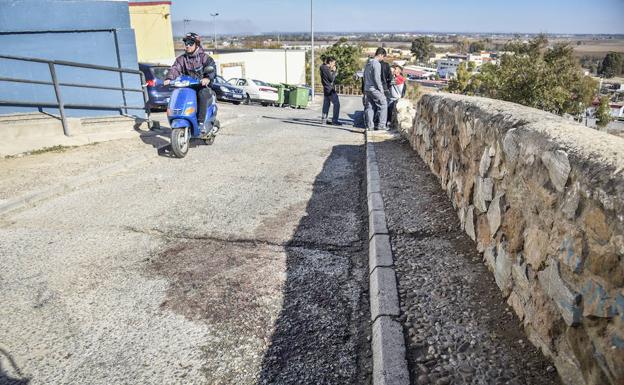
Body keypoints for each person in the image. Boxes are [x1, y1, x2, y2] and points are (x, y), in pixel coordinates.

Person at [164, 32, 216, 133]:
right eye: (186, 43)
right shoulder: (182, 59)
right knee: (178, 94)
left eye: (190, 43)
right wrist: (169, 78)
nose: (187, 46)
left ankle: (201, 123)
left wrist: (207, 78)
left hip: (202, 86)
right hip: (188, 86)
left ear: (196, 44)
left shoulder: (204, 58)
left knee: (203, 94)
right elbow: (175, 68)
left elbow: (212, 68)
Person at [363, 47, 388, 130]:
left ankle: (370, 126)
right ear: (380, 55)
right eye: (383, 56)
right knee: (383, 104)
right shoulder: (376, 63)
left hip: (367, 88)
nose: (383, 59)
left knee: (370, 107)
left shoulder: (368, 63)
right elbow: (377, 78)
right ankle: (381, 125)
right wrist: (381, 90)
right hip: (374, 88)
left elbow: (364, 76)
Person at [320, 57, 341, 125]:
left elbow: (327, 77)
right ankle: (335, 121)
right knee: (337, 104)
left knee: (326, 104)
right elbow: (331, 79)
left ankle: (324, 120)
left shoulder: (322, 67)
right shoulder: (326, 69)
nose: (334, 64)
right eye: (334, 63)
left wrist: (330, 70)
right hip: (329, 89)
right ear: (330, 62)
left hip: (325, 88)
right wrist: (334, 71)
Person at [387, 64, 406, 129]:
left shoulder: (400, 78)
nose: (394, 70)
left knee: (390, 112)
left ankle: (389, 124)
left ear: (399, 71)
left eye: (395, 69)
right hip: (392, 97)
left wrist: (391, 74)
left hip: (395, 98)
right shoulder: (396, 77)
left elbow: (390, 83)